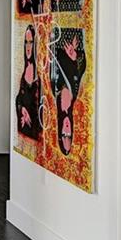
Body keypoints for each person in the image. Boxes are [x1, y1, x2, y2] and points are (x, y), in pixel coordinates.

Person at [48, 27, 87, 156]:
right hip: (75, 33)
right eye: (69, 135)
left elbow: (51, 56)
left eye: (63, 134)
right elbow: (82, 69)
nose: (66, 130)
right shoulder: (76, 93)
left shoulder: (53, 88)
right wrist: (75, 56)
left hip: (58, 32)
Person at [15, 24, 44, 141]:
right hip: (23, 131)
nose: (28, 47)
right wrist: (22, 109)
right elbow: (19, 98)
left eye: (31, 42)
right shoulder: (24, 70)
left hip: (34, 133)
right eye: (26, 42)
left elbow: (40, 106)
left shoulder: (39, 74)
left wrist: (29, 113)